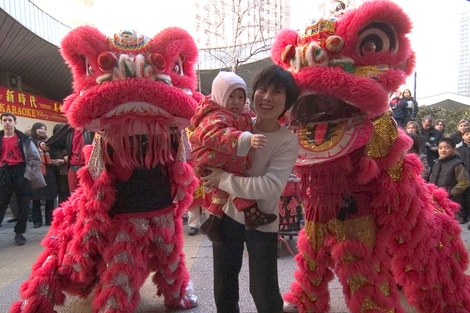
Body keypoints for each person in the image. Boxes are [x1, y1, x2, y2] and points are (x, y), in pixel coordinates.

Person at [201, 65, 299, 313]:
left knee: (263, 289)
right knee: (224, 285)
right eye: (262, 90)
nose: (267, 97)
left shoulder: (286, 141)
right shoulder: (238, 124)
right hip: (226, 216)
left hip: (261, 221)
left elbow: (268, 186)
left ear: (287, 101)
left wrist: (221, 178)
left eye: (276, 92)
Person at [189, 71, 275, 243]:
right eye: (231, 96)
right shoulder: (215, 115)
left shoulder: (239, 114)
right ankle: (251, 213)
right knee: (236, 177)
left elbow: (250, 121)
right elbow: (216, 135)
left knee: (224, 187)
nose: (236, 101)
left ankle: (213, 221)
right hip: (210, 157)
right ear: (221, 95)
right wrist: (245, 138)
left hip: (222, 158)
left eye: (240, 96)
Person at [0, 113, 44, 245]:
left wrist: (27, 175)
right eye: (5, 120)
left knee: (23, 204)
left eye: (10, 120)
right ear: (2, 122)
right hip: (3, 172)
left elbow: (35, 158)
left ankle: (19, 233)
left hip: (20, 171)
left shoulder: (24, 139)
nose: (7, 122)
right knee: (1, 203)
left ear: (15, 122)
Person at [428, 137, 470, 223]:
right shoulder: (437, 163)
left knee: (448, 225)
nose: (443, 150)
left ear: (453, 149)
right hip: (435, 200)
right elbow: (431, 179)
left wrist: (450, 192)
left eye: (447, 148)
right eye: (440, 148)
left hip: (450, 201)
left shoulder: (457, 164)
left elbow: (464, 182)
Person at [30, 123, 58, 228]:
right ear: (35, 130)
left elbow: (54, 154)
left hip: (49, 170)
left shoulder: (50, 142)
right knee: (36, 197)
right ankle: (36, 220)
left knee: (50, 196)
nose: (42, 130)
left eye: (44, 128)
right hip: (36, 171)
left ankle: (49, 219)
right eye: (39, 128)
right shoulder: (30, 142)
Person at [457, 127, 470, 225]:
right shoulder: (458, 149)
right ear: (463, 136)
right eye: (466, 134)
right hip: (462, 177)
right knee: (462, 197)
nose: (469, 136)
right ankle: (462, 216)